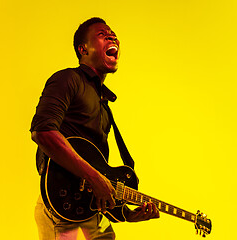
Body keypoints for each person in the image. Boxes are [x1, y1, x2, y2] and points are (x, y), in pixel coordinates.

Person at [30, 17, 160, 240]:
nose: (112, 36)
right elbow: (42, 131)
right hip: (61, 208)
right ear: (83, 49)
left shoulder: (103, 104)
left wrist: (126, 214)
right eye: (102, 34)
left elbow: (102, 171)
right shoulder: (67, 79)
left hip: (91, 214)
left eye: (113, 33)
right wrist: (94, 177)